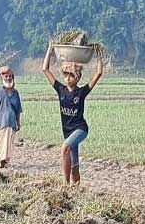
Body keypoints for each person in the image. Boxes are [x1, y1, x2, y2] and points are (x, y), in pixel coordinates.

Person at [42, 44, 103, 186]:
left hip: (80, 129)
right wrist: (50, 50)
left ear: (78, 77)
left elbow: (98, 74)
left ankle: (65, 184)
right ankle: (76, 189)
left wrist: (99, 54)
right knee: (74, 167)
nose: (68, 78)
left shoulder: (81, 92)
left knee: (64, 148)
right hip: (67, 131)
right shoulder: (60, 89)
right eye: (66, 75)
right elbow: (45, 69)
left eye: (71, 75)